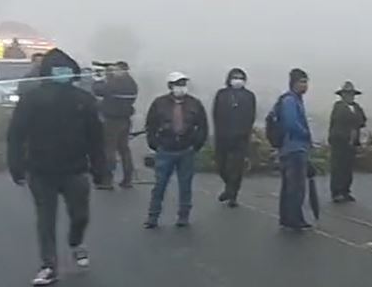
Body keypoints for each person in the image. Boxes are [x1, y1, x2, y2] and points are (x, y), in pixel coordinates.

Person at [6, 48, 106, 286]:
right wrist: (16, 166)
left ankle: (75, 241)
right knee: (45, 219)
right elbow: (16, 135)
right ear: (47, 73)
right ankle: (49, 265)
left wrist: (100, 169)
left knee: (80, 215)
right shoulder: (31, 100)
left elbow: (96, 138)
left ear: (72, 73)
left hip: (76, 169)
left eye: (65, 70)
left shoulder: (84, 101)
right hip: (41, 170)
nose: (62, 74)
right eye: (57, 70)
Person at [143, 72, 208, 229]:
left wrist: (196, 145)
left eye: (183, 84)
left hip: (186, 150)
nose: (181, 88)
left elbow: (203, 127)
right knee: (159, 185)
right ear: (170, 86)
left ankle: (183, 216)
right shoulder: (159, 103)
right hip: (165, 149)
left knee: (185, 185)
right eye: (178, 84)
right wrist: (154, 144)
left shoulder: (195, 104)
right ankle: (153, 216)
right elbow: (150, 125)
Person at [211, 68, 257, 208]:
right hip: (223, 136)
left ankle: (233, 194)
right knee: (221, 165)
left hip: (241, 137)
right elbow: (215, 113)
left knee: (236, 168)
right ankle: (228, 186)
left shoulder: (249, 96)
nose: (237, 80)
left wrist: (246, 132)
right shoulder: (221, 94)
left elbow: (251, 116)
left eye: (240, 77)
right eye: (235, 77)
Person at [275, 68, 314, 230]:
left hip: (290, 148)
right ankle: (293, 218)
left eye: (306, 82)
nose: (305, 85)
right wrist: (306, 134)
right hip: (294, 148)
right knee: (295, 186)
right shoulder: (290, 101)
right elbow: (291, 123)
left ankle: (287, 217)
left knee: (289, 185)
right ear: (294, 83)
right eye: (302, 82)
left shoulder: (294, 100)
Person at [92, 61, 139, 190]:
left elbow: (98, 91)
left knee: (109, 149)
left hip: (112, 120)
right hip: (125, 119)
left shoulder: (115, 83)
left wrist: (99, 79)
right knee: (124, 149)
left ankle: (107, 180)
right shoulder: (132, 83)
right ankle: (127, 179)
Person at [328, 81, 367, 203]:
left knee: (348, 168)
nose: (350, 96)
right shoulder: (338, 106)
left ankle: (345, 191)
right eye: (347, 94)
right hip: (340, 142)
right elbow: (338, 122)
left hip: (352, 142)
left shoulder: (356, 107)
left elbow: (362, 120)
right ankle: (337, 192)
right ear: (342, 95)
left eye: (351, 94)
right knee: (338, 167)